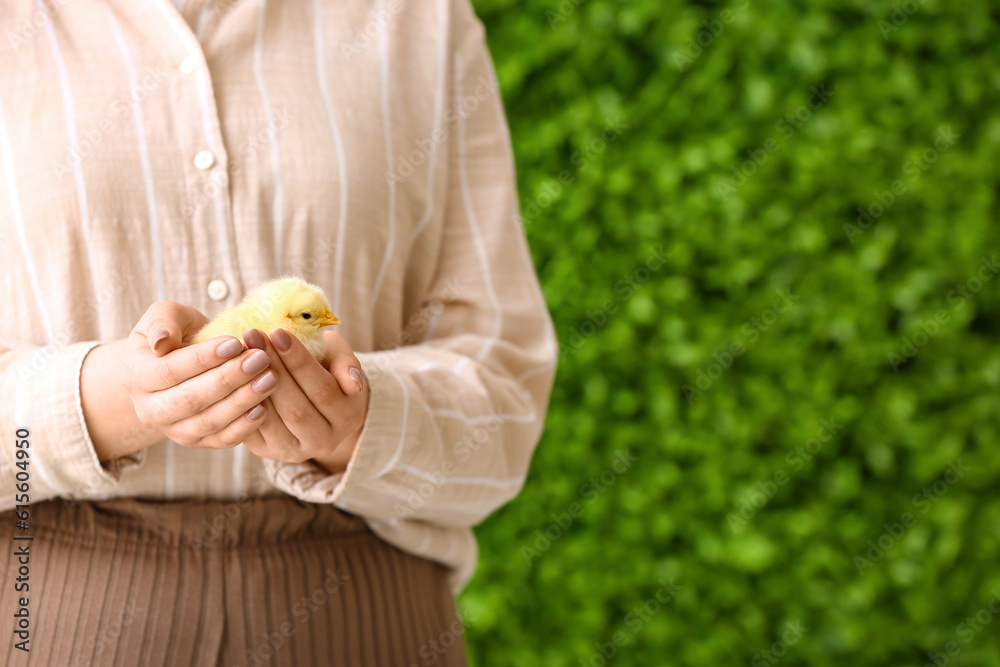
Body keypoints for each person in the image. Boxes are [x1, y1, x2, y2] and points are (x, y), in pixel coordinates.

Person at [0, 0, 557, 664]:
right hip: (54, 613)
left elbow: (506, 395)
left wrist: (360, 423)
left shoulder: (417, 18)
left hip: (364, 617)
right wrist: (105, 399)